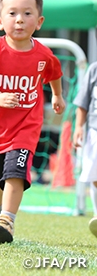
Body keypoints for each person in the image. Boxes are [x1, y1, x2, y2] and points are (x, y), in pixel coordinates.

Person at [0, 0, 65, 244]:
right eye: (12, 14)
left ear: (39, 21)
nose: (19, 19)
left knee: (16, 171)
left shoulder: (43, 54)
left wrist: (56, 95)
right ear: (0, 21)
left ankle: (8, 219)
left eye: (27, 14)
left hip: (25, 126)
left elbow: (54, 73)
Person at [72, 58, 97, 238]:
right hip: (95, 132)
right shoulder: (94, 70)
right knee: (94, 177)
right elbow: (83, 103)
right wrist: (79, 127)